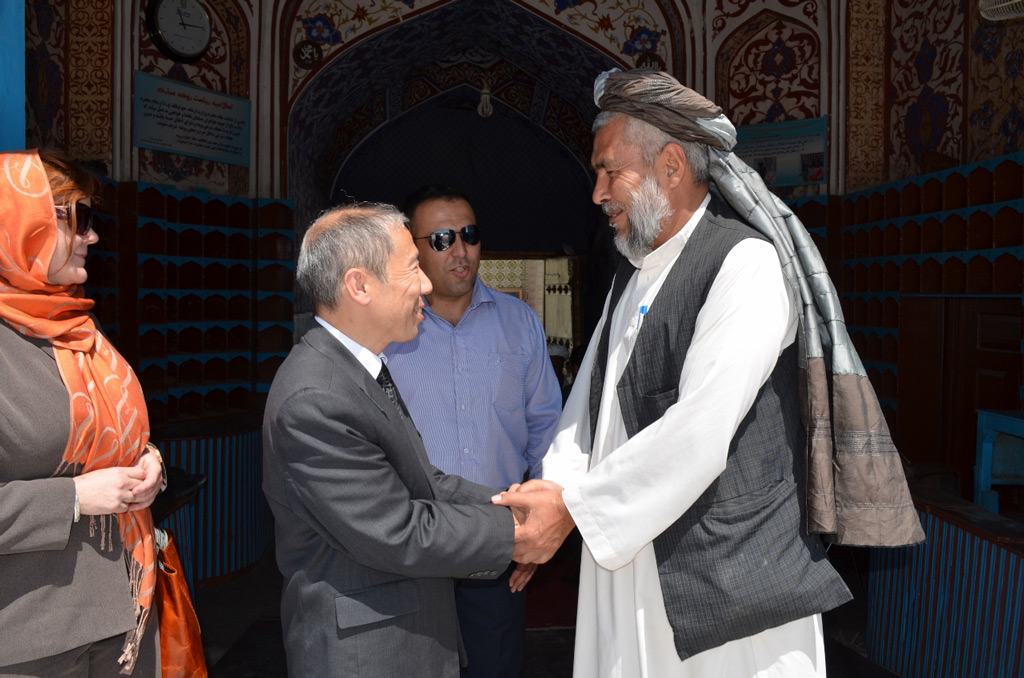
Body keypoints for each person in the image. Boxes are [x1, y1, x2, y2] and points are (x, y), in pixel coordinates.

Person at [494, 70, 923, 677]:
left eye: (610, 171)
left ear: (671, 165)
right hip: (631, 570)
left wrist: (573, 511)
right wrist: (555, 494)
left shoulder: (744, 265)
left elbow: (698, 431)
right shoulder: (633, 275)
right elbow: (587, 412)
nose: (597, 193)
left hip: (729, 589)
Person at [262, 203, 521, 678]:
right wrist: (519, 533)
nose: (426, 284)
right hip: (368, 656)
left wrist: (512, 501)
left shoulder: (358, 369)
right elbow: (398, 532)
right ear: (359, 285)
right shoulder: (315, 397)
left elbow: (425, 481)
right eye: (412, 270)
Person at [384, 185, 562, 678]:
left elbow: (546, 427)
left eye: (469, 234)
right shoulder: (390, 331)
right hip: (413, 545)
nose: (459, 250)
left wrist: (541, 525)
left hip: (496, 545)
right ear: (414, 249)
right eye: (441, 239)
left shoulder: (519, 322)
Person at [0, 149, 164, 676]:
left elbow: (111, 437)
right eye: (80, 220)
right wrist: (71, 499)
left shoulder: (76, 329)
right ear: (22, 225)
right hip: (31, 644)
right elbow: (80, 480)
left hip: (124, 618)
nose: (93, 237)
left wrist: (149, 463)